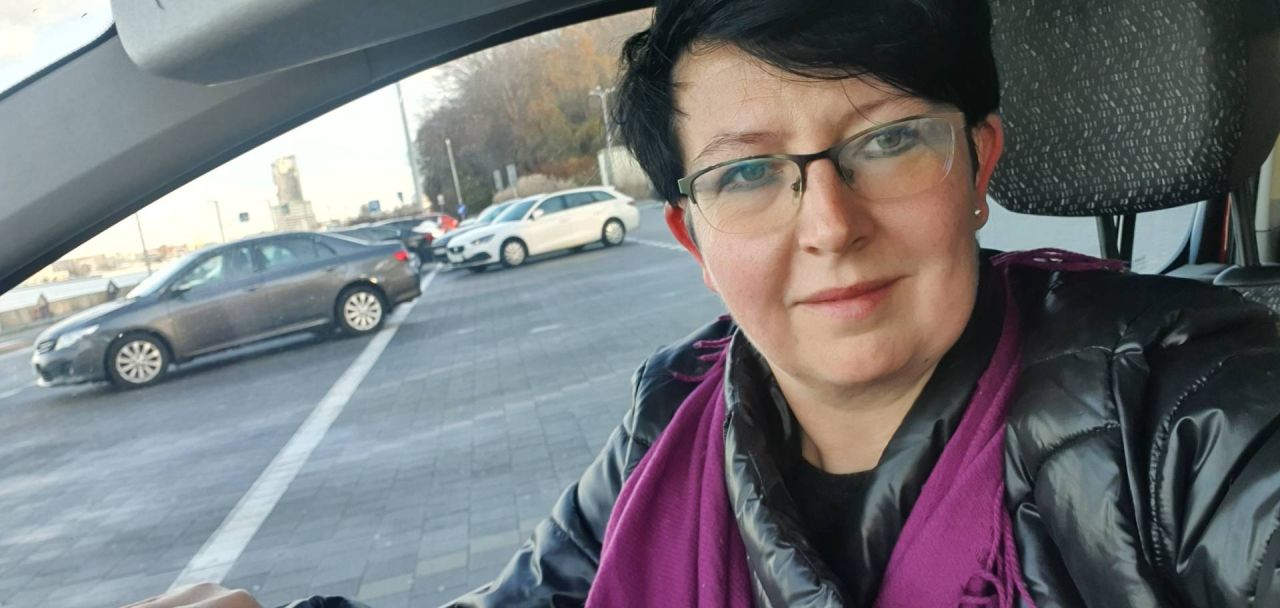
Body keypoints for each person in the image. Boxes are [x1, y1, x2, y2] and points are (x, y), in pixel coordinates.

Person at [133, 0, 1280, 606]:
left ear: (975, 164)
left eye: (886, 142)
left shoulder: (1185, 407)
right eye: (746, 174)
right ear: (690, 236)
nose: (828, 224)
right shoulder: (674, 412)